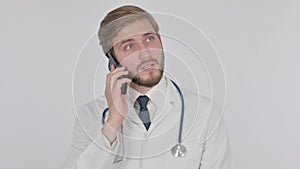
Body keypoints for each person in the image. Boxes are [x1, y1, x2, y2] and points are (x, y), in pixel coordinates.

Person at [61, 5, 231, 169]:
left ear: (161, 41)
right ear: (112, 60)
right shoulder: (90, 116)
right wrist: (113, 123)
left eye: (149, 39)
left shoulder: (205, 114)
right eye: (129, 46)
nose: (145, 53)